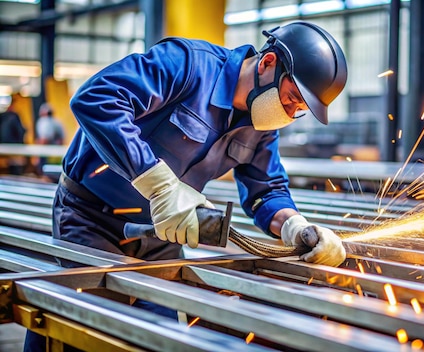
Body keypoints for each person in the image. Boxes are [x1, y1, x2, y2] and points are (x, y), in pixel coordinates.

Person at [24, 21, 347, 351]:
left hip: (162, 235)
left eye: (300, 110)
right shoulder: (188, 64)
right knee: (85, 331)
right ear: (267, 64)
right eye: (291, 97)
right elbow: (97, 99)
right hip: (90, 219)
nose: (290, 112)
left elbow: (265, 190)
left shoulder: (263, 123)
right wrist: (159, 184)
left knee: (155, 337)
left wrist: (295, 226)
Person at [35, 102, 65, 176]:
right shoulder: (58, 122)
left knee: (46, 174)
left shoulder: (44, 122)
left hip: (47, 155)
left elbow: (44, 139)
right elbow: (62, 140)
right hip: (56, 155)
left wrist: (37, 155)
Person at [0, 97, 27, 174]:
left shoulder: (2, 117)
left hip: (4, 148)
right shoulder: (14, 116)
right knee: (16, 169)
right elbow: (20, 131)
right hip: (15, 147)